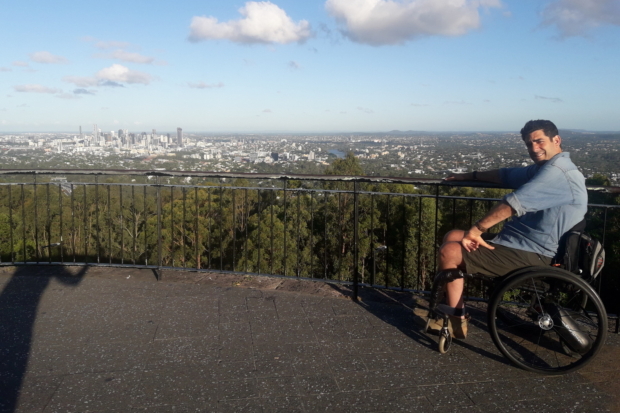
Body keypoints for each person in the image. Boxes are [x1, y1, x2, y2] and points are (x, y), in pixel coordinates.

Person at [427, 119, 588, 339]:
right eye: (529, 144)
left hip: (536, 253)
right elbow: (505, 175)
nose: (534, 148)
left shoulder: (558, 173)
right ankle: (453, 306)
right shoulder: (546, 169)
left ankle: (456, 320)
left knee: (449, 251)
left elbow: (513, 203)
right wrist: (470, 176)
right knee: (453, 236)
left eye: (539, 142)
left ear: (556, 140)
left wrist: (476, 230)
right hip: (519, 242)